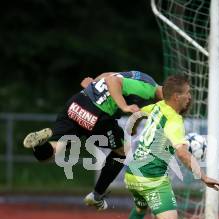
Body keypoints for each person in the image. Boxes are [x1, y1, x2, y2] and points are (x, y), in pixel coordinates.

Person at [123, 74, 219, 219]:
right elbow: (181, 152)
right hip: (150, 178)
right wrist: (203, 177)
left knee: (140, 208)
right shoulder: (174, 120)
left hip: (132, 174)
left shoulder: (156, 107)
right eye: (187, 93)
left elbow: (136, 116)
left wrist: (133, 129)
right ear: (176, 96)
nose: (190, 97)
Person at [22, 71, 163, 210]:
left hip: (78, 102)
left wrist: (93, 85)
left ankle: (39, 146)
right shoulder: (148, 90)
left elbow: (108, 75)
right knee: (122, 151)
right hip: (96, 115)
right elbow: (112, 80)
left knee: (54, 150)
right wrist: (124, 107)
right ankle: (96, 196)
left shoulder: (142, 77)